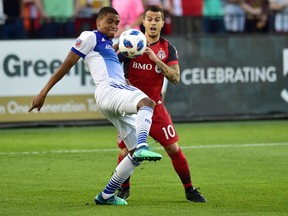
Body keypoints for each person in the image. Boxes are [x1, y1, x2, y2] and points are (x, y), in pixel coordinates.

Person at [28, 6, 162, 205]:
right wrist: (44, 91)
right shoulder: (90, 37)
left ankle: (106, 195)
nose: (114, 25)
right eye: (109, 21)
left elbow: (109, 66)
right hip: (109, 90)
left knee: (134, 155)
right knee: (147, 103)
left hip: (112, 95)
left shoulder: (108, 45)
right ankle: (143, 144)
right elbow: (66, 64)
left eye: (117, 22)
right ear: (98, 22)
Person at [115, 5, 207, 202]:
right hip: (131, 106)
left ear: (163, 23)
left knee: (173, 149)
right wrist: (122, 78)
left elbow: (175, 78)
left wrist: (155, 59)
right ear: (144, 22)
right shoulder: (131, 42)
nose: (153, 23)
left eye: (157, 19)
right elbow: (112, 66)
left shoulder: (167, 48)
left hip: (155, 107)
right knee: (125, 151)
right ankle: (124, 189)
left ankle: (190, 190)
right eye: (150, 19)